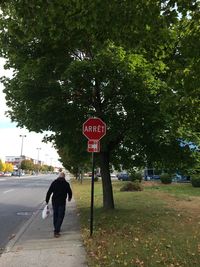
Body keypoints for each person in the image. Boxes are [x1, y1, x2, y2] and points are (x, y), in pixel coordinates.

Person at [45, 172, 72, 238]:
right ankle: (56, 230)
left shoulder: (54, 182)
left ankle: (56, 228)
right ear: (64, 177)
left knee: (55, 215)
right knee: (61, 216)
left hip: (54, 201)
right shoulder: (66, 184)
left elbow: (49, 192)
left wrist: (47, 200)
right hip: (62, 202)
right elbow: (70, 192)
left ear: (59, 176)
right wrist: (69, 198)